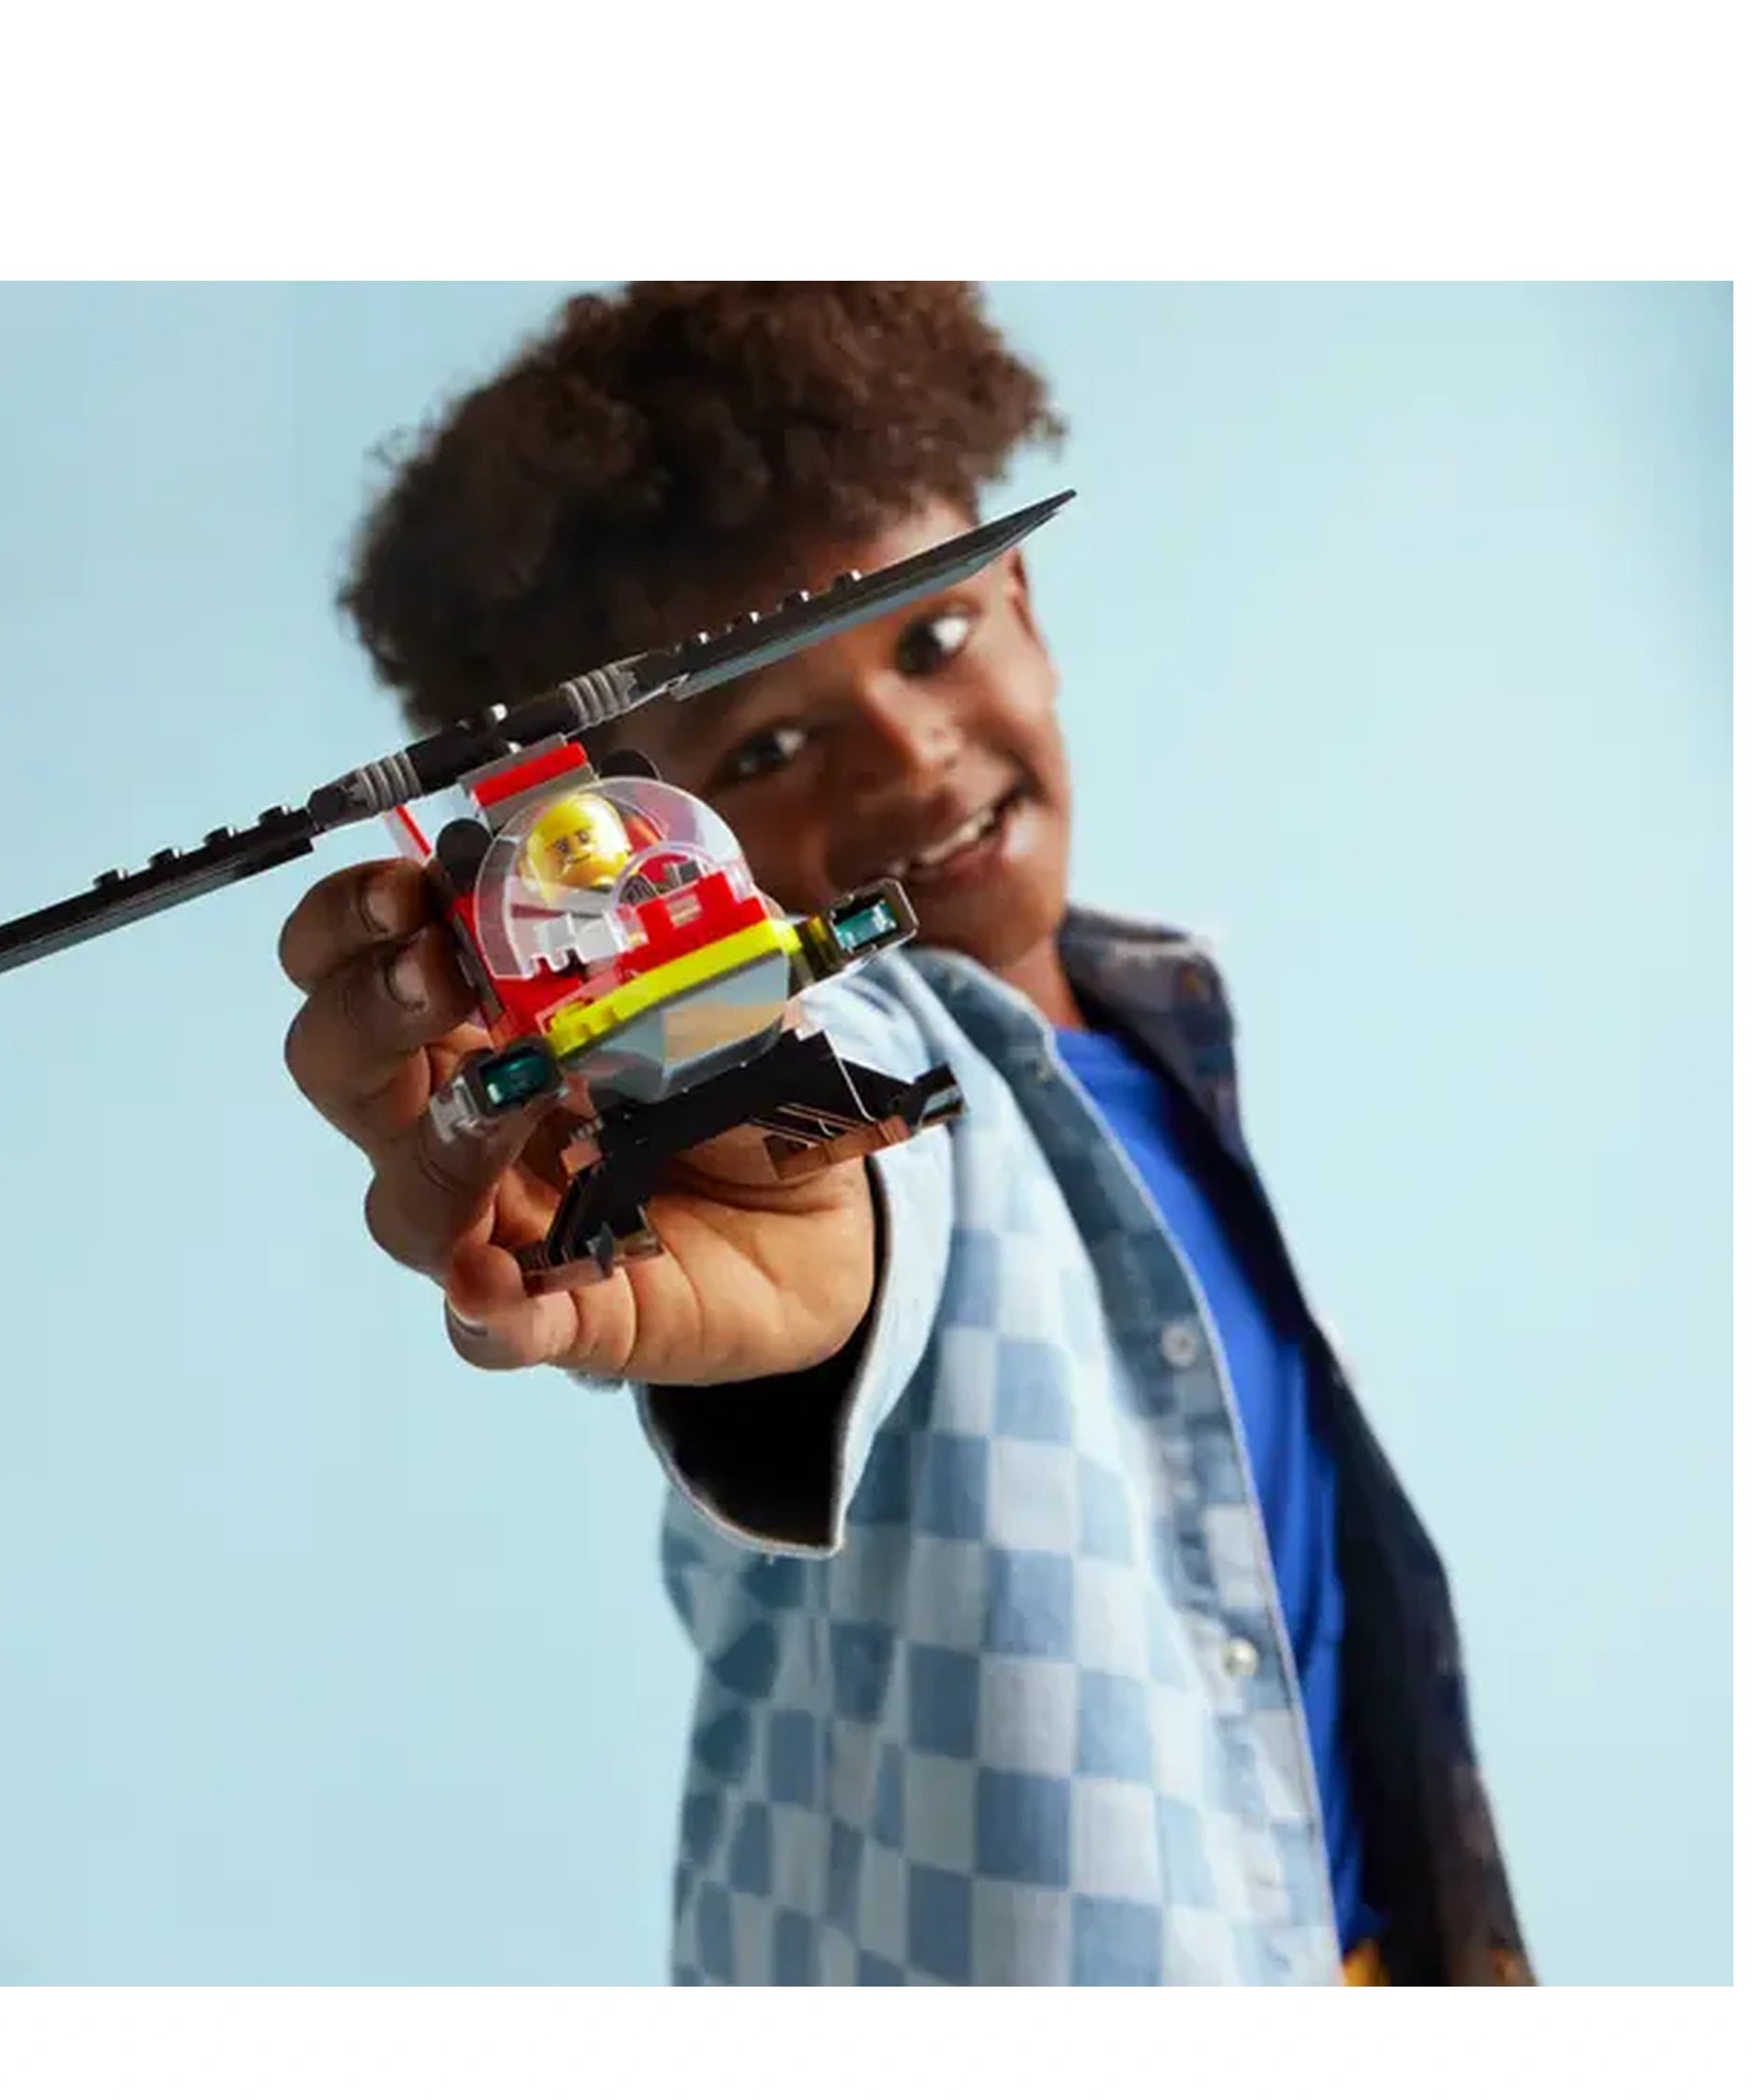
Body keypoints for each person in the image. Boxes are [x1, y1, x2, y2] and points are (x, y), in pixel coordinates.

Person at [276, 282, 1533, 1985]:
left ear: (1021, 596)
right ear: (633, 846)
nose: (910, 754)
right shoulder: (873, 1066)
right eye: (768, 743)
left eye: (930, 637)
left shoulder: (1168, 1047)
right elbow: (850, 1188)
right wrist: (727, 1118)